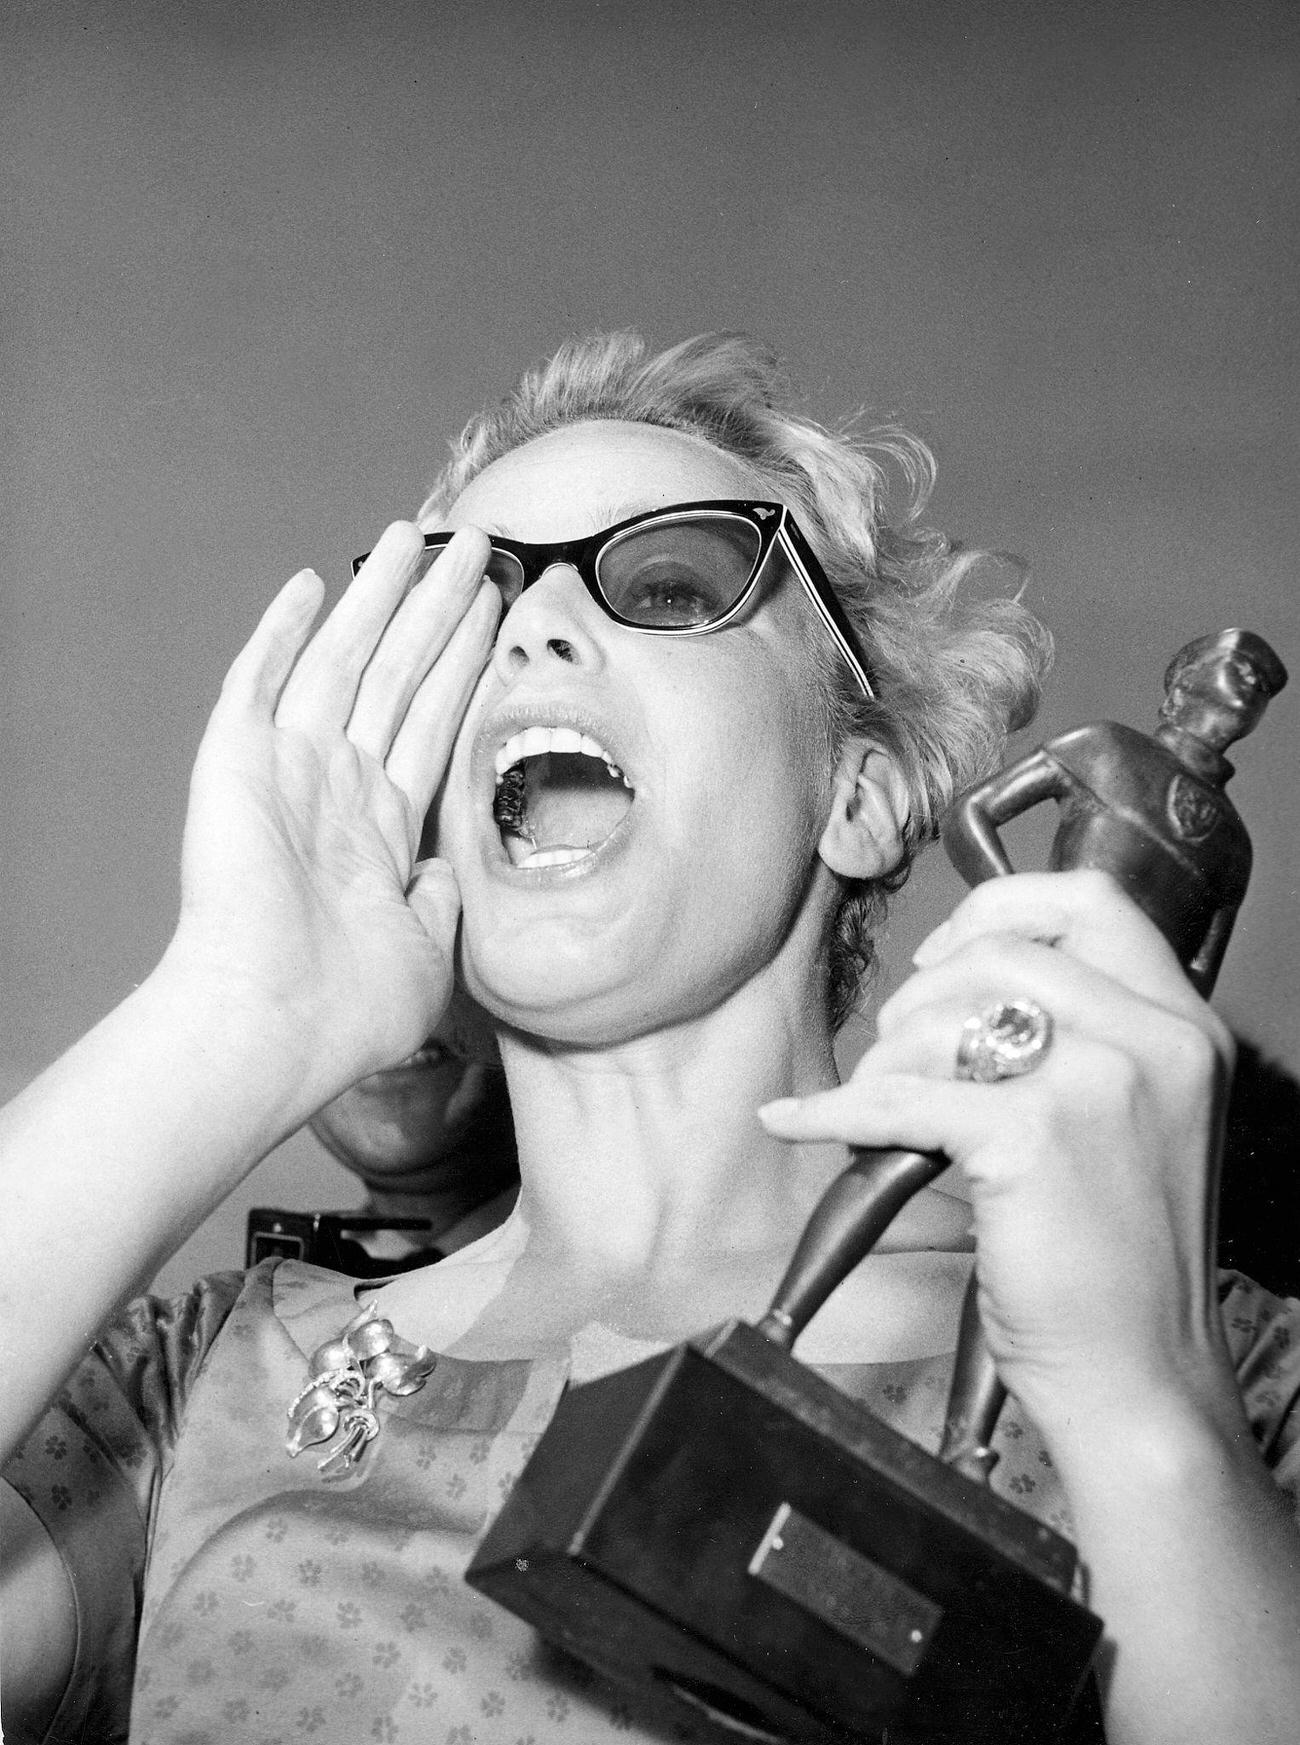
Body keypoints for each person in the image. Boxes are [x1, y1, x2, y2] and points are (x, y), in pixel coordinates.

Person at [1, 332, 1298, 1745]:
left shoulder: (1229, 1374)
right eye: (473, 603)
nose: (532, 631)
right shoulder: (191, 1392)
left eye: (670, 582)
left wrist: (1148, 1404)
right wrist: (233, 1014)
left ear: (859, 795)